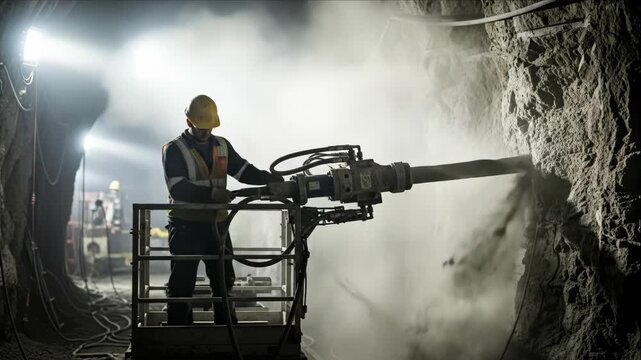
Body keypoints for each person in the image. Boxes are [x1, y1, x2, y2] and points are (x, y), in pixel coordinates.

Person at [161, 94, 283, 325]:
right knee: (182, 281)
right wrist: (212, 194)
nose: (206, 133)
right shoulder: (174, 149)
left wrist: (269, 180)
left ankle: (226, 328)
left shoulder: (222, 146)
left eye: (209, 128)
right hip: (186, 225)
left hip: (217, 224)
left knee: (224, 279)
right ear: (188, 123)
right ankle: (178, 331)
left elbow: (243, 171)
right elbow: (178, 189)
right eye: (201, 128)